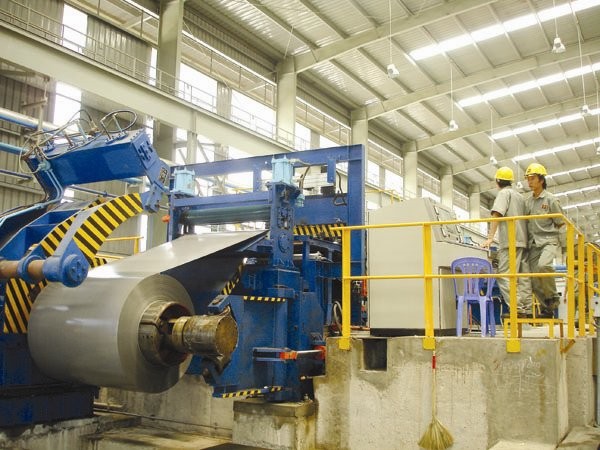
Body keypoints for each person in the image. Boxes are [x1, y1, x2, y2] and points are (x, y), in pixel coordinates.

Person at [481, 167, 532, 317]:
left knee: (503, 275)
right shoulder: (520, 196)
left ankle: (518, 308)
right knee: (522, 277)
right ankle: (527, 309)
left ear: (497, 181)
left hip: (510, 241)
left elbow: (497, 214)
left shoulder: (504, 193)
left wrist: (490, 237)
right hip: (523, 240)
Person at [524, 162, 564, 318]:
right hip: (534, 243)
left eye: (532, 178)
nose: (529, 182)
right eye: (528, 179)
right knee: (534, 279)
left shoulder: (551, 200)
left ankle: (553, 297)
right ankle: (547, 307)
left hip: (549, 240)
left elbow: (561, 223)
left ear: (541, 180)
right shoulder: (528, 201)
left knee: (543, 266)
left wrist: (564, 248)